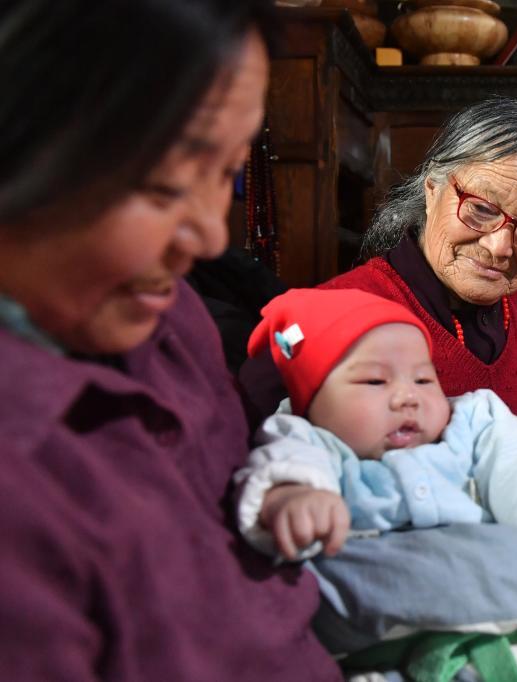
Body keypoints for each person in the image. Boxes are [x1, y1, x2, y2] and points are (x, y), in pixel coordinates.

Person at [240, 97, 517, 679]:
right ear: (432, 188)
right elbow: (256, 451)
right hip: (402, 594)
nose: (499, 247)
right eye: (481, 209)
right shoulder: (338, 316)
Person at [0, 2, 343, 679]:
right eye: (165, 185)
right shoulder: (22, 473)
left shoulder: (168, 312)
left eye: (226, 173)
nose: (211, 237)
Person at [236, 287, 517, 679]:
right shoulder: (309, 439)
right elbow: (282, 465)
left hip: (516, 628)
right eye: (375, 381)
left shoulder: (472, 424)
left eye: (425, 380)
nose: (407, 397)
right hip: (390, 642)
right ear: (312, 403)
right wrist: (293, 497)